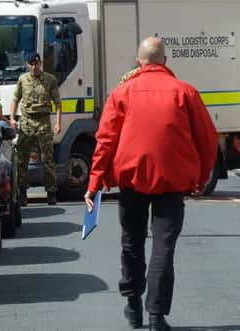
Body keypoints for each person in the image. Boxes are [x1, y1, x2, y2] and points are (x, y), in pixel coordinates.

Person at [84, 37, 218, 331]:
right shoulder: (185, 92)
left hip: (131, 182)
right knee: (163, 248)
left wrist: (94, 182)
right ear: (165, 61)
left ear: (139, 61)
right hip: (172, 184)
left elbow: (105, 141)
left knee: (131, 243)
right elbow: (207, 139)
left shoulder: (122, 93)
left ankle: (133, 306)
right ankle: (156, 316)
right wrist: (202, 176)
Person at [10, 52, 62, 206]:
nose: (34, 67)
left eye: (36, 64)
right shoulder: (23, 80)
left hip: (43, 123)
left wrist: (58, 123)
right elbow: (15, 99)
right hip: (27, 122)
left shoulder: (50, 80)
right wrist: (12, 118)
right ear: (27, 65)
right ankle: (22, 193)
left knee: (48, 159)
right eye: (31, 64)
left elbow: (58, 103)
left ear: (40, 63)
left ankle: (51, 193)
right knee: (22, 159)